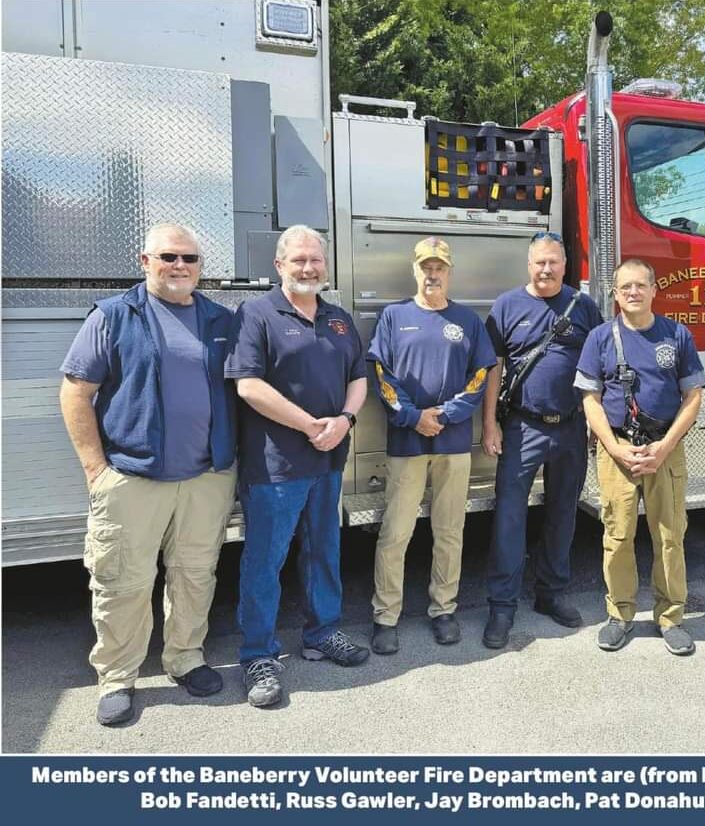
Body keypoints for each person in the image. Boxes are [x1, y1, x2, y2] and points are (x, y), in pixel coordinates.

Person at [59, 223, 237, 726]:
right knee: (123, 582)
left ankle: (185, 658)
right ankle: (117, 677)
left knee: (196, 575)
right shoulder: (115, 316)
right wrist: (96, 468)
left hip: (205, 478)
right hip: (132, 478)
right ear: (144, 261)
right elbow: (75, 393)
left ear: (201, 266)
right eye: (168, 257)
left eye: (189, 258)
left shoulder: (220, 320)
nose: (180, 266)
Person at [226, 224, 369, 708]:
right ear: (279, 265)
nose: (309, 268)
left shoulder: (339, 318)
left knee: (324, 550)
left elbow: (359, 378)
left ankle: (322, 632)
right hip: (275, 466)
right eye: (299, 260)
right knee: (265, 560)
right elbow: (248, 385)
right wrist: (311, 425)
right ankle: (258, 655)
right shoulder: (257, 314)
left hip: (329, 458)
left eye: (316, 260)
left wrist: (345, 420)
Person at [368, 238, 497, 654]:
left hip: (453, 442)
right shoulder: (393, 316)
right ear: (414, 270)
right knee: (395, 533)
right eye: (426, 266)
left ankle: (444, 610)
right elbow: (381, 374)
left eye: (439, 267)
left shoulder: (467, 320)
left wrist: (445, 415)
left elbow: (480, 375)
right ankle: (385, 617)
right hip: (407, 442)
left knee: (449, 532)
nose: (432, 274)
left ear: (450, 272)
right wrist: (413, 417)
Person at [575, 258, 705, 656]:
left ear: (654, 290)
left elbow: (694, 396)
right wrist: (614, 448)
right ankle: (620, 614)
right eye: (624, 287)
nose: (632, 293)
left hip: (664, 450)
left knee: (670, 535)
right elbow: (590, 400)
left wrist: (664, 447)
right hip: (617, 450)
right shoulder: (599, 337)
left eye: (640, 286)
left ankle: (671, 617)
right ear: (615, 294)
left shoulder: (676, 335)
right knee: (617, 536)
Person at [481, 231, 603, 649]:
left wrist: (595, 424)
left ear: (565, 265)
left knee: (563, 514)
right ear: (528, 265)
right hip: (521, 427)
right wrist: (489, 425)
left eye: (554, 262)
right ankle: (502, 607)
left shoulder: (585, 307)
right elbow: (493, 368)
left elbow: (597, 368)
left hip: (570, 425)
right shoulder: (506, 306)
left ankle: (551, 595)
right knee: (509, 519)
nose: (546, 269)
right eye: (539, 262)